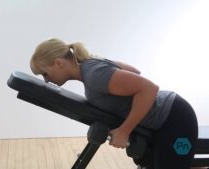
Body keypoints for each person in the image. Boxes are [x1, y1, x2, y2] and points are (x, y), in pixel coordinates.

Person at [30, 38, 199, 169]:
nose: (46, 80)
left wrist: (125, 130)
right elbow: (134, 72)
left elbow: (149, 88)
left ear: (59, 63)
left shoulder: (94, 74)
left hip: (175, 120)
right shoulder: (90, 66)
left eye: (44, 73)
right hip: (164, 120)